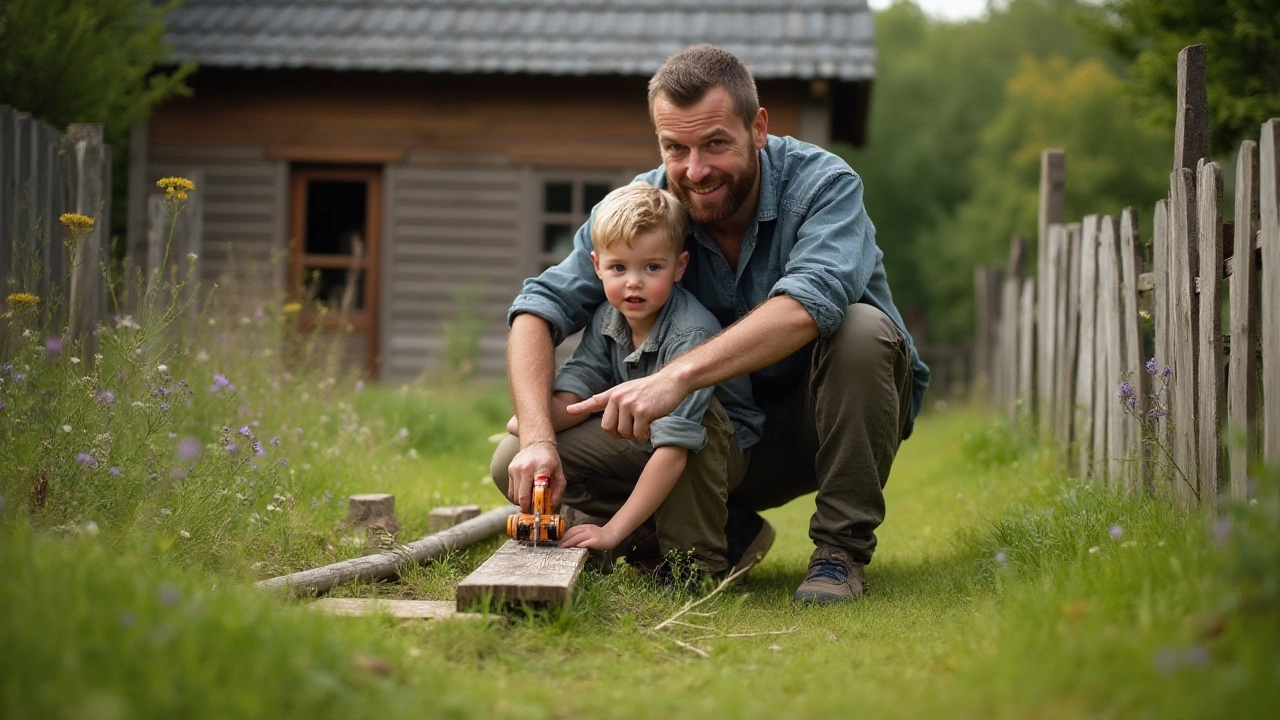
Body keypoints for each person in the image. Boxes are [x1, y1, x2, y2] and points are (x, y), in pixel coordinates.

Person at [493, 44, 929, 604]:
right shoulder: (645, 207)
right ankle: (714, 534)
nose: (695, 171)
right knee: (514, 462)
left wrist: (676, 377)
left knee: (861, 330)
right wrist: (536, 437)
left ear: (758, 128)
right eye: (676, 148)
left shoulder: (823, 186)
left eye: (716, 144)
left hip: (820, 431)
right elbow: (538, 307)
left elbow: (809, 303)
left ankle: (839, 552)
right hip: (701, 437)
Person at [498, 183, 765, 582]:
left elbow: (675, 449)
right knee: (510, 458)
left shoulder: (690, 332)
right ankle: (650, 536)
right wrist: (538, 425)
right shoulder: (607, 319)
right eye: (619, 268)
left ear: (680, 266)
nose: (634, 283)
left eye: (651, 268)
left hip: (715, 447)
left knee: (694, 432)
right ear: (597, 266)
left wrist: (611, 532)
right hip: (644, 436)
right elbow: (578, 385)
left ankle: (694, 565)